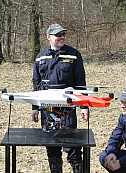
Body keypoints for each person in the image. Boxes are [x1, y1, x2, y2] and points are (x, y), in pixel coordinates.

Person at [31, 24, 89, 173]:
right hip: (47, 109)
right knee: (52, 145)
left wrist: (84, 106)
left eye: (63, 34)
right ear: (49, 37)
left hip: (67, 109)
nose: (62, 37)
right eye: (58, 35)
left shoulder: (73, 54)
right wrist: (34, 108)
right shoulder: (40, 57)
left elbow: (80, 82)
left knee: (72, 145)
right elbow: (36, 85)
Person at [99, 87, 126, 173]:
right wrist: (112, 153)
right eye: (122, 102)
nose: (122, 106)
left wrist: (121, 163)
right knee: (104, 156)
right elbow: (115, 137)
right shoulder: (124, 117)